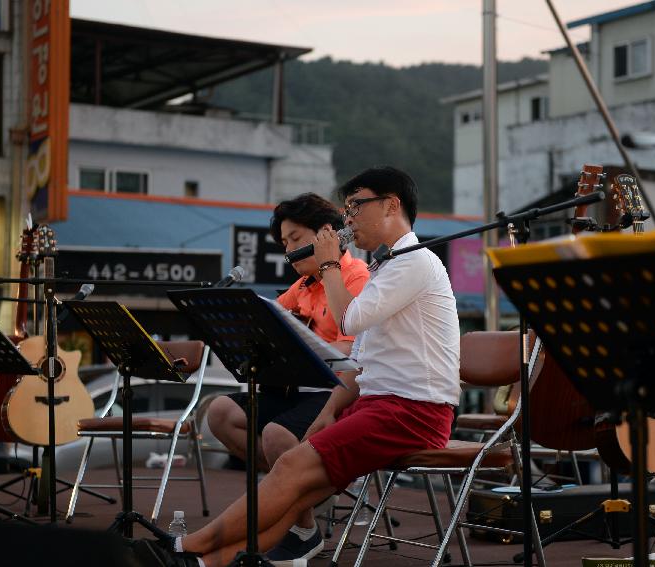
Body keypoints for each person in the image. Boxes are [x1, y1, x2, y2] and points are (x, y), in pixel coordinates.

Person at [136, 166, 460, 567]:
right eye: (347, 208)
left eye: (356, 205)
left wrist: (328, 264)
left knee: (289, 465)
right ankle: (204, 562)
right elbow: (361, 361)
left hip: (413, 409)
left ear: (391, 204)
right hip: (381, 404)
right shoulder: (388, 267)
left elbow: (348, 322)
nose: (349, 218)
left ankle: (183, 548)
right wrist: (328, 412)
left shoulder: (415, 261)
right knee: (296, 491)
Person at [205, 192, 369, 563]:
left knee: (277, 434)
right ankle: (295, 493)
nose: (289, 250)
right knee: (219, 413)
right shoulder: (302, 286)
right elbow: (266, 326)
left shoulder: (356, 276)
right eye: (284, 243)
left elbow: (353, 352)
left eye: (295, 240)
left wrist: (304, 347)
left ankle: (302, 528)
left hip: (335, 392)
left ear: (326, 233)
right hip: (293, 389)